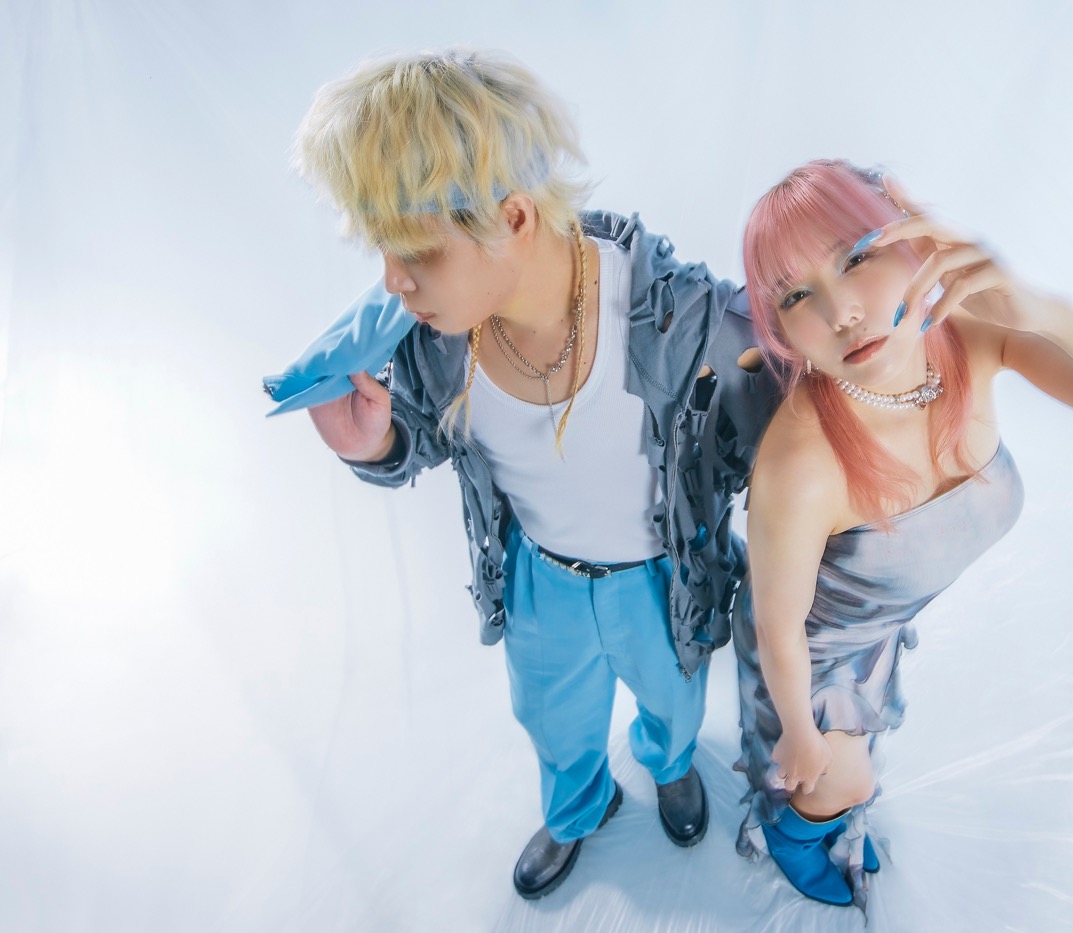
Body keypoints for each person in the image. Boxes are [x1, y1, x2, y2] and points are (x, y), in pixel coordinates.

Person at [263, 49, 778, 900]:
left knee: (674, 696)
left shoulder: (668, 311)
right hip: (543, 583)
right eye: (384, 250)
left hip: (658, 578)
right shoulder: (437, 338)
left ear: (512, 217)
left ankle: (671, 763)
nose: (391, 279)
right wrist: (376, 446)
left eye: (415, 250)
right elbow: (416, 433)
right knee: (552, 717)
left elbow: (778, 405)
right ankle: (578, 807)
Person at [731, 159, 1073, 909]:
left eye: (855, 257)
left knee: (853, 760)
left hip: (881, 624)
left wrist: (1046, 311)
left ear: (912, 240)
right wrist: (798, 729)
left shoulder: (972, 339)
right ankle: (790, 831)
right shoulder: (802, 462)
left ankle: (827, 805)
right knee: (839, 777)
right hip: (810, 650)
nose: (842, 311)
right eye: (796, 296)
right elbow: (777, 627)